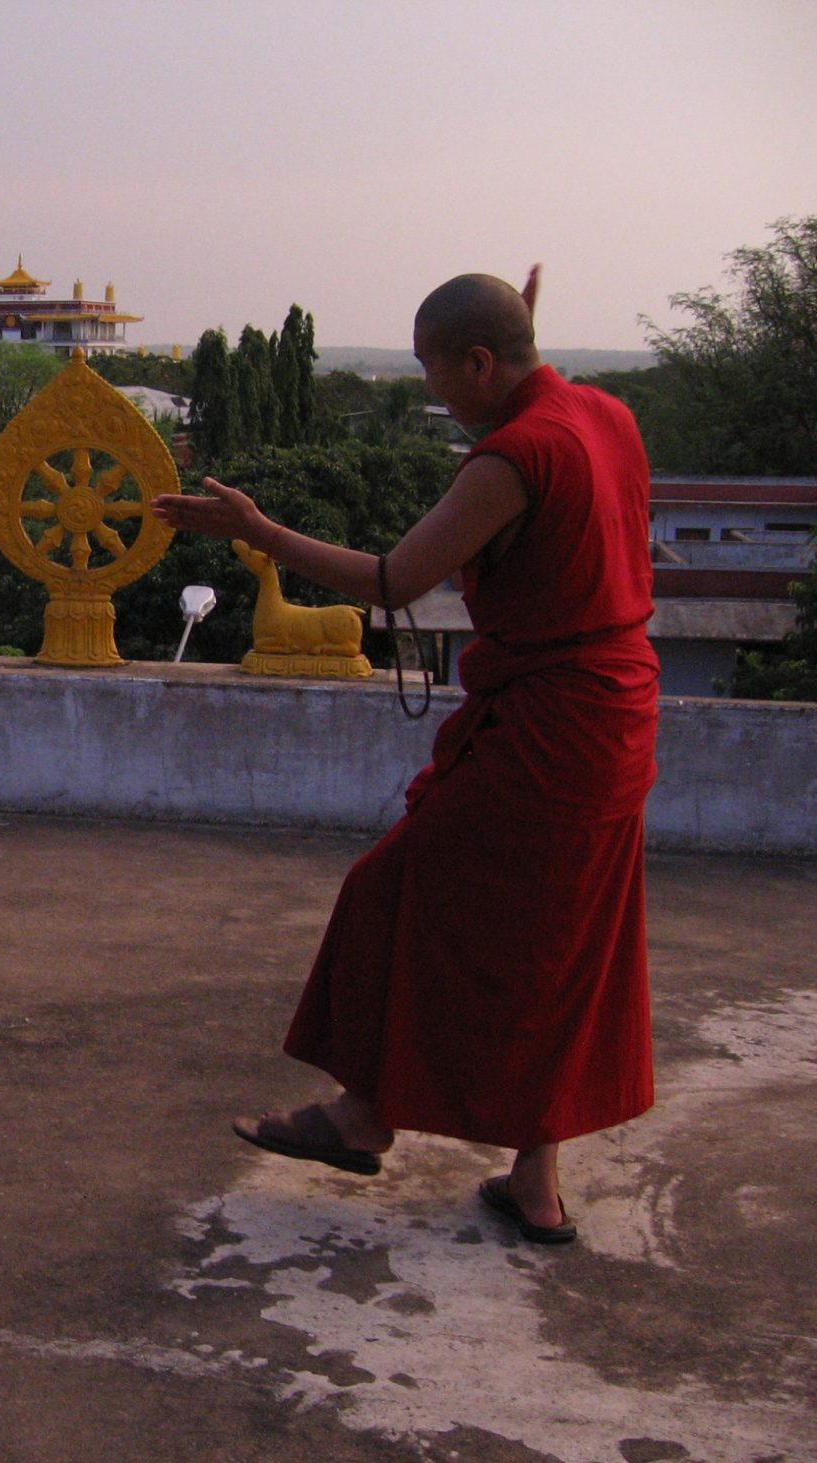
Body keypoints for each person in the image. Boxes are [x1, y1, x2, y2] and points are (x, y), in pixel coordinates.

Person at [151, 268, 660, 1245]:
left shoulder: (511, 459)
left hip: (551, 729)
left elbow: (393, 581)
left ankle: (362, 1114)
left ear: (481, 361)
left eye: (441, 374)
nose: (434, 394)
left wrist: (257, 530)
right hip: (617, 716)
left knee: (392, 887)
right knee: (563, 942)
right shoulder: (606, 414)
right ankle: (536, 1180)